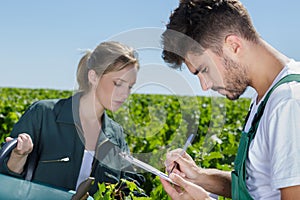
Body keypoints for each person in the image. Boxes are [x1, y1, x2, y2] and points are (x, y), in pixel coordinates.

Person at [160, 0, 300, 199]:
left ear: (233, 45)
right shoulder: (266, 98)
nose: (205, 86)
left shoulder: (289, 102)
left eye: (205, 70)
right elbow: (257, 185)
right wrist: (199, 176)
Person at [0, 41, 145, 197]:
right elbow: (6, 180)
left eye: (130, 87)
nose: (125, 94)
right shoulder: (43, 114)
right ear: (93, 77)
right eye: (118, 84)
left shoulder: (116, 135)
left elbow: (131, 187)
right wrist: (18, 156)